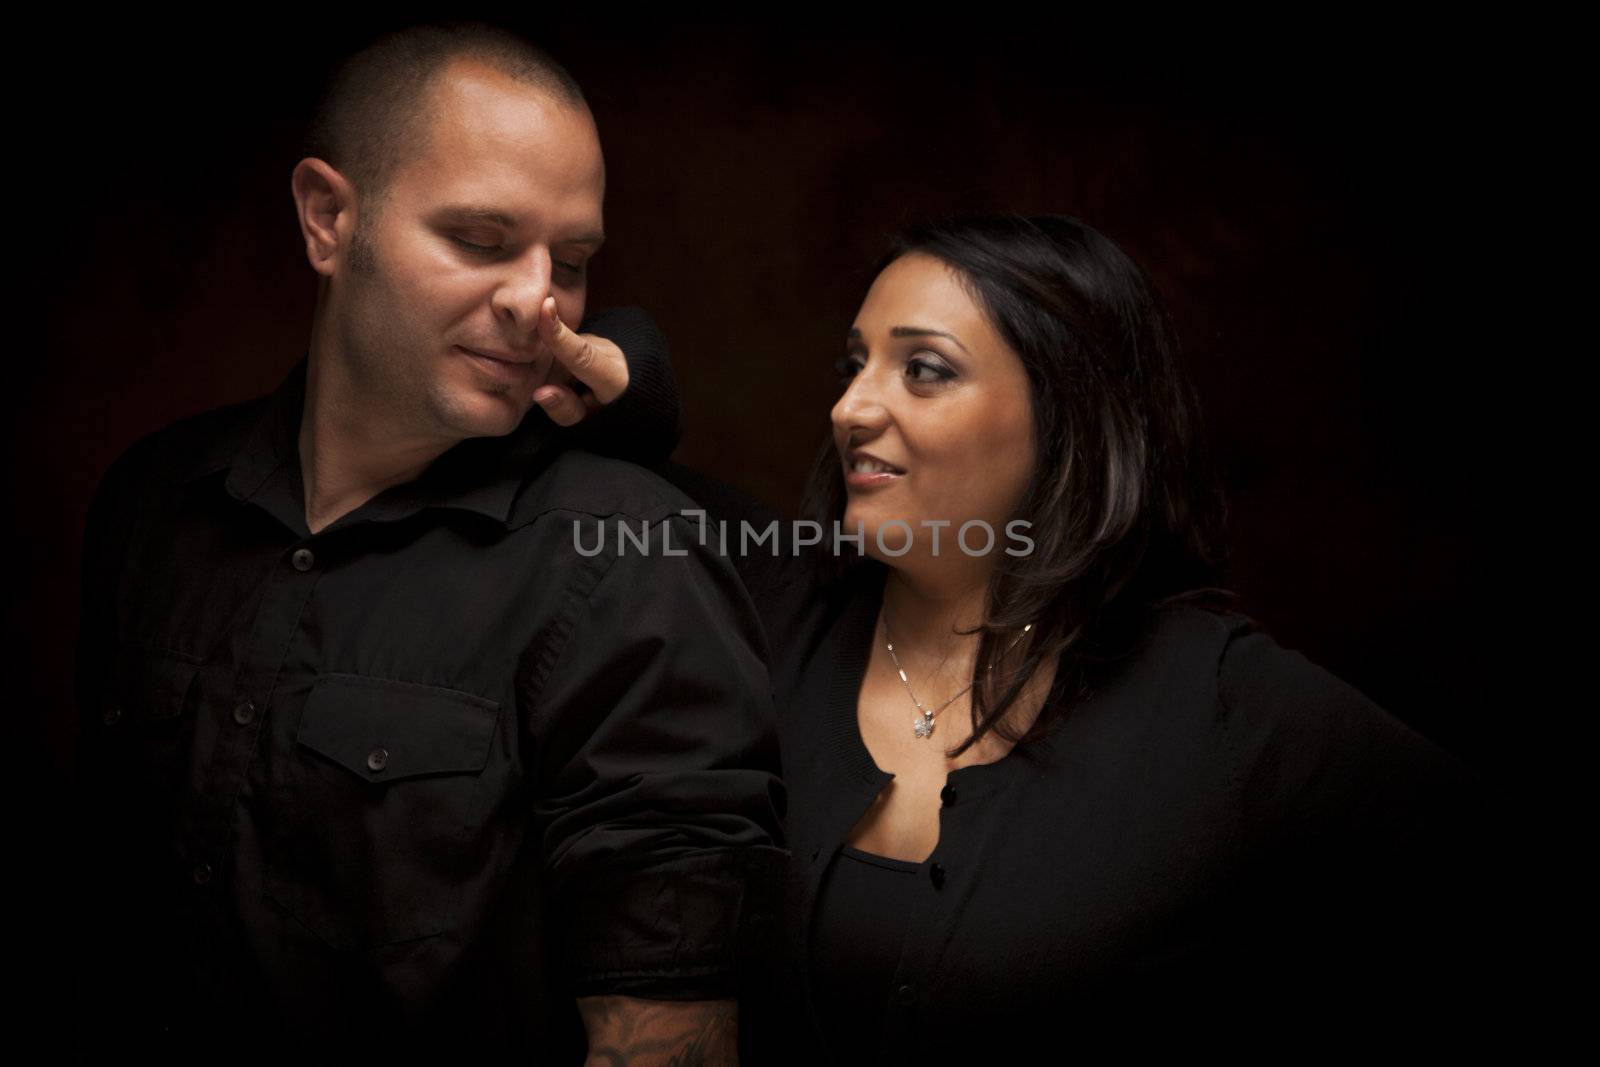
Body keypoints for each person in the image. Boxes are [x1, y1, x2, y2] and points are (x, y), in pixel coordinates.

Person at [621, 214, 1502, 1058]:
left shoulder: (1218, 703)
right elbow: (583, 429)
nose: (852, 406)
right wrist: (632, 370)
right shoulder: (771, 592)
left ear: (1064, 412)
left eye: (923, 369)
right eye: (855, 365)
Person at [71, 23, 782, 1059]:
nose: (537, 301)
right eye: (483, 240)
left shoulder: (627, 555)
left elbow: (666, 1036)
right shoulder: (153, 500)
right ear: (327, 219)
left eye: (572, 261)